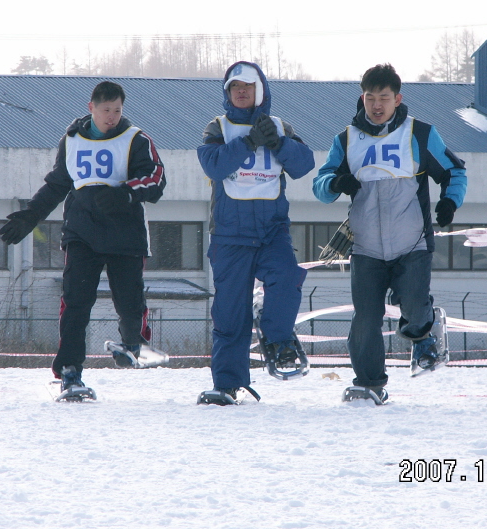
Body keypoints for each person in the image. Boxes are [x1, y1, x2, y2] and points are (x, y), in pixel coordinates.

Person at [0, 81, 168, 394]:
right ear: (91, 108)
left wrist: (125, 194)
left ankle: (132, 343)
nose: (112, 116)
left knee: (130, 303)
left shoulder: (136, 139)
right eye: (106, 110)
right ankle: (70, 371)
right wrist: (31, 215)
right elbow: (57, 184)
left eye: (117, 110)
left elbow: (157, 179)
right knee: (75, 305)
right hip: (82, 234)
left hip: (124, 235)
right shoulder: (72, 139)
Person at [312, 63, 467, 403]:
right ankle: (369, 384)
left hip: (412, 242)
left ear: (398, 99)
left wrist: (449, 203)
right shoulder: (346, 140)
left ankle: (424, 333)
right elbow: (320, 187)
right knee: (365, 320)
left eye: (384, 97)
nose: (377, 105)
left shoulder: (420, 134)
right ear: (362, 99)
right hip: (365, 246)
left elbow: (455, 171)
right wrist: (336, 182)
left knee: (412, 304)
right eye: (370, 98)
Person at [196, 61, 315, 405]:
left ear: (260, 89)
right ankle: (227, 383)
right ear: (227, 93)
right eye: (235, 88)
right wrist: (249, 141)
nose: (242, 92)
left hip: (271, 232)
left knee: (287, 276)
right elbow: (214, 165)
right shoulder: (217, 127)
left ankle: (278, 342)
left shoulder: (281, 125)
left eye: (248, 86)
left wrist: (278, 142)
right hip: (230, 237)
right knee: (230, 313)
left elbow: (304, 165)